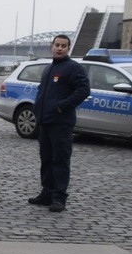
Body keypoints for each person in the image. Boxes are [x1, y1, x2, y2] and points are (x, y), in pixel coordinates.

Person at [28, 34, 90, 213]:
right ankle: (47, 193)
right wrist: (38, 110)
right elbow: (43, 91)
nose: (60, 48)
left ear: (68, 48)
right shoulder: (49, 68)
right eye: (57, 45)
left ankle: (59, 197)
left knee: (60, 160)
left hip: (61, 123)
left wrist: (63, 106)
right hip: (45, 121)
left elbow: (84, 90)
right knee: (46, 160)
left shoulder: (73, 68)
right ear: (52, 46)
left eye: (64, 45)